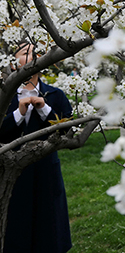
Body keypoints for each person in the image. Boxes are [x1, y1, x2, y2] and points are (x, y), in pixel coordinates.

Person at [0, 42, 73, 253]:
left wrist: (44, 109)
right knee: (17, 230)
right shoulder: (4, 97)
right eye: (25, 52)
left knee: (48, 227)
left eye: (36, 52)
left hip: (46, 171)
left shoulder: (55, 95)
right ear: (13, 63)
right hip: (13, 173)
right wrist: (19, 114)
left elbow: (68, 132)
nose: (32, 56)